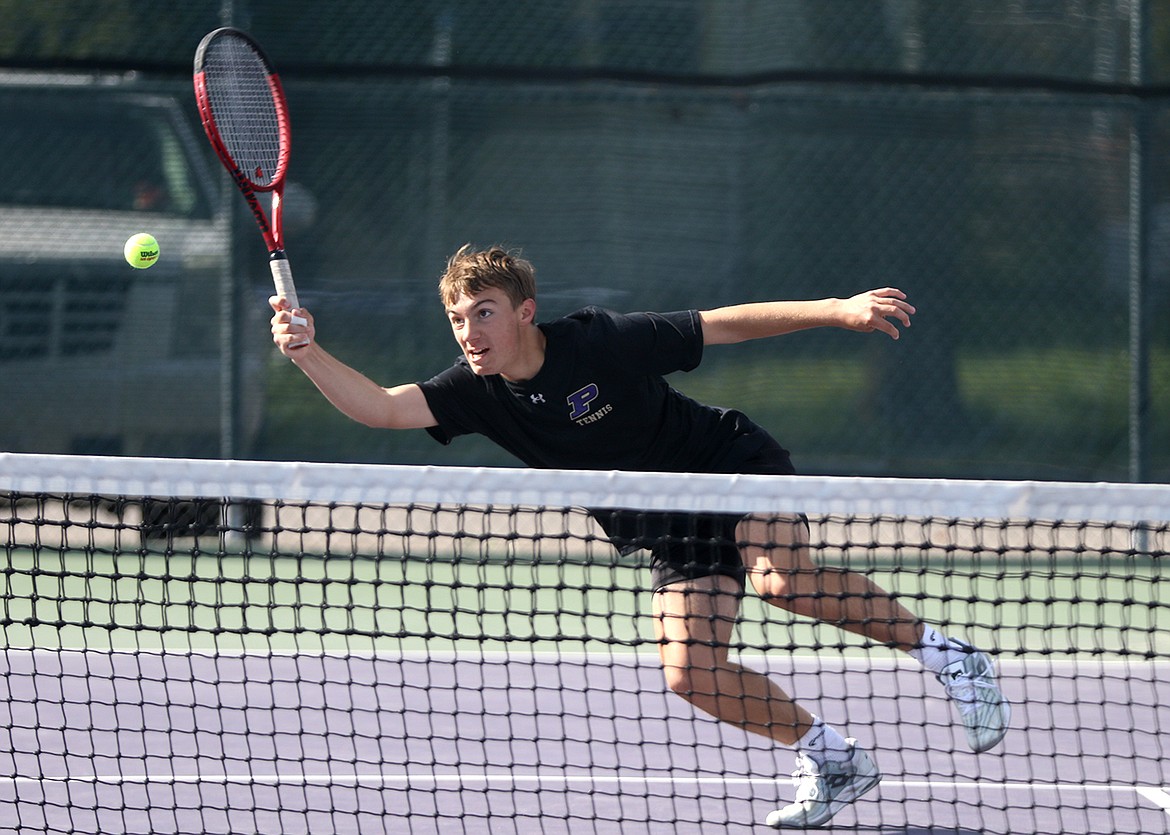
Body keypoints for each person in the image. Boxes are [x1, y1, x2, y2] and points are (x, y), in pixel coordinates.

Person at [269, 244, 1011, 829]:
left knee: (783, 582)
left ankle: (953, 658)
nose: (469, 332)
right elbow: (382, 408)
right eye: (458, 318)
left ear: (526, 311)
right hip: (665, 523)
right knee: (691, 672)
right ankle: (835, 758)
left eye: (483, 313)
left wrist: (836, 310)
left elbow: (721, 323)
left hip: (729, 463)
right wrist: (307, 352)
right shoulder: (474, 392)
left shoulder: (600, 342)